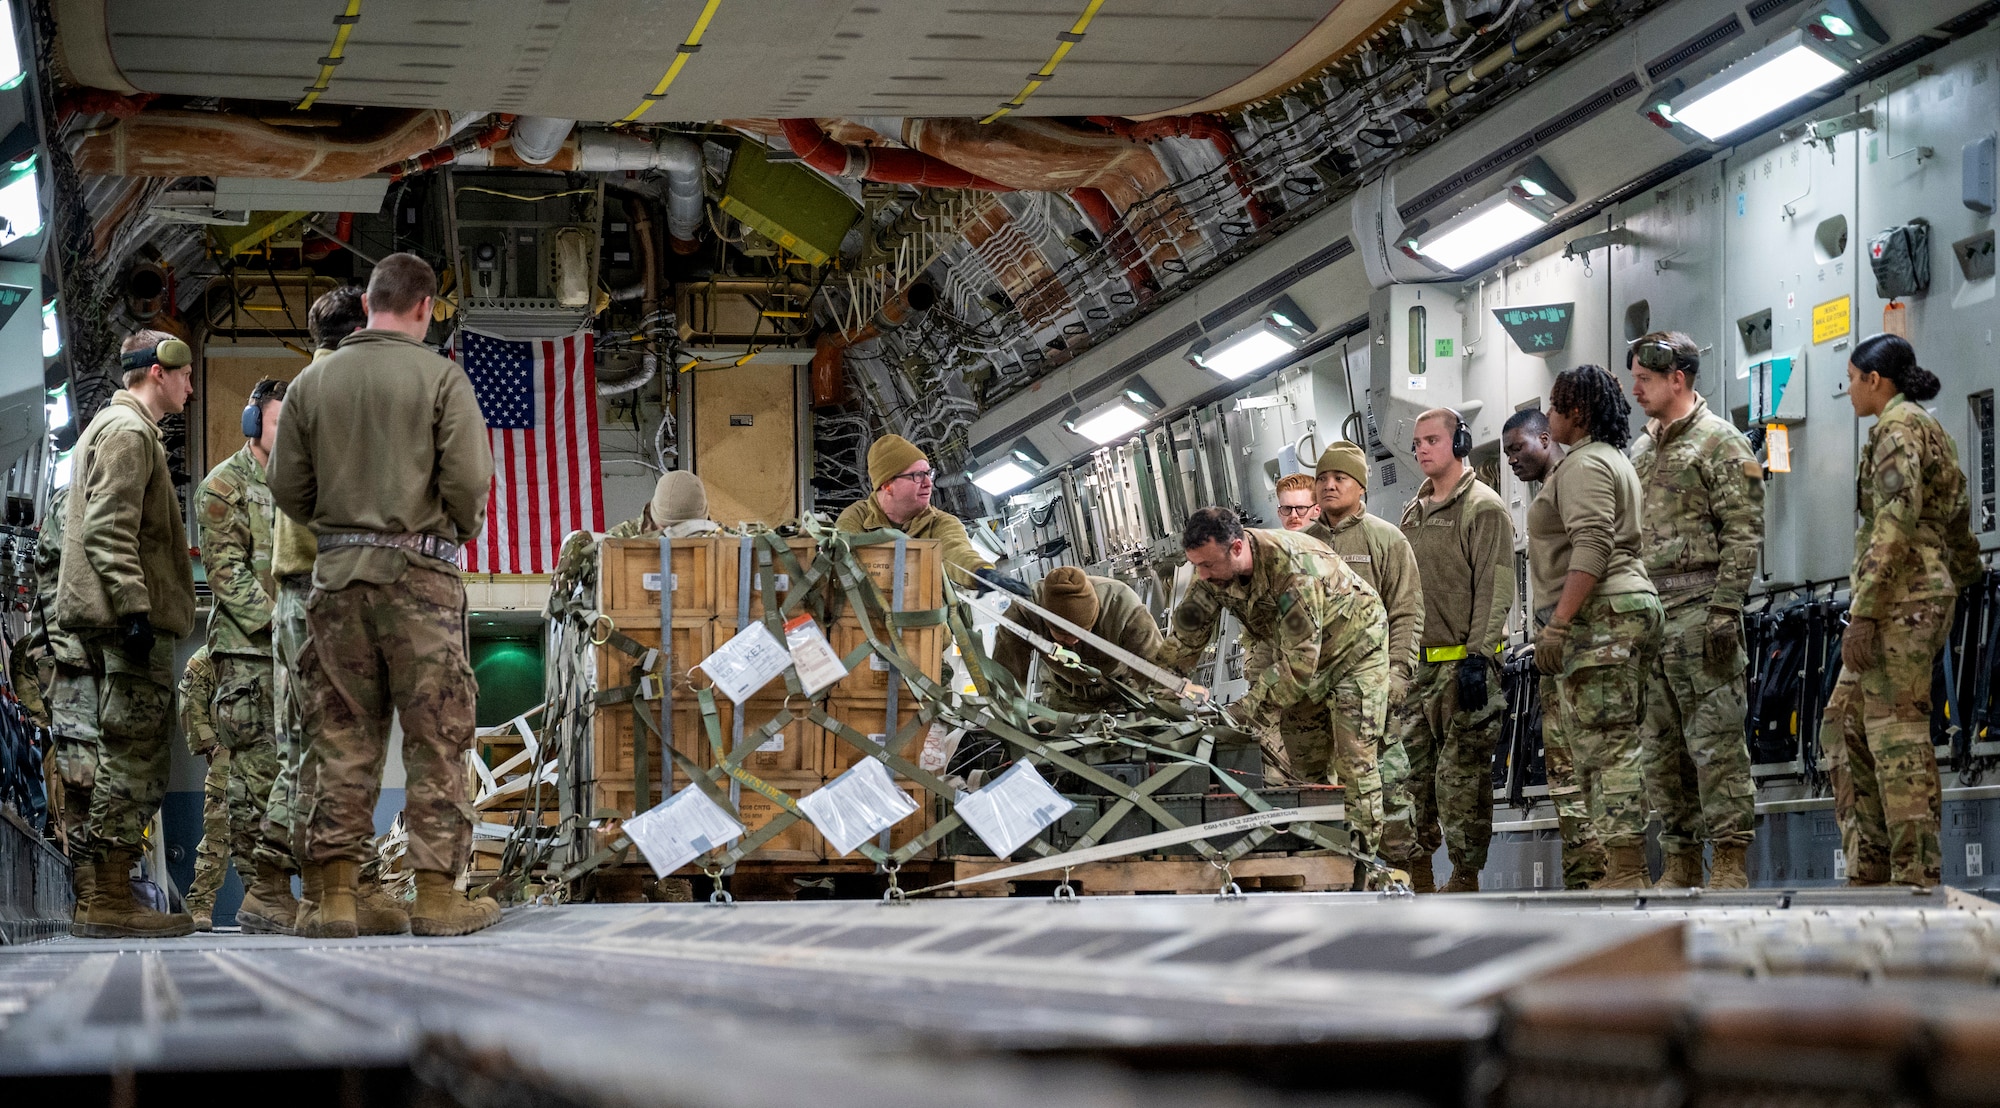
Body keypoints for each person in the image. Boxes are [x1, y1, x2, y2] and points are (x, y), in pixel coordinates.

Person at [269, 252, 499, 938]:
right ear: (424, 307)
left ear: (369, 304)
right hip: (420, 582)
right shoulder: (440, 377)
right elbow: (468, 479)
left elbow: (287, 488)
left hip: (335, 582)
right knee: (438, 737)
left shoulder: (313, 383)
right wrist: (452, 529)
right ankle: (435, 897)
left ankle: (336, 898)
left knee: (338, 737)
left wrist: (341, 530)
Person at [263, 287, 407, 937]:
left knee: (303, 749)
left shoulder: (297, 396)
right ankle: (352, 890)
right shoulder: (361, 394)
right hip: (345, 585)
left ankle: (324, 895)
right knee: (352, 747)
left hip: (295, 592)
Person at [1823, 334, 1982, 887]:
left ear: (1875, 380)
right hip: (1915, 589)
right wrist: (1967, 574)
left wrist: (1864, 612)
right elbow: (1958, 510)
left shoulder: (1897, 428)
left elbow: (1895, 517)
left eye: (1850, 378)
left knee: (1896, 730)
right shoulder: (1926, 427)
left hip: (1901, 598)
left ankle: (1915, 873)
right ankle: (1872, 862)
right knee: (1843, 721)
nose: (1847, 390)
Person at [56, 329, 198, 938]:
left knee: (119, 756)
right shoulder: (130, 433)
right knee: (133, 760)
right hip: (124, 626)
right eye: (186, 372)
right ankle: (111, 896)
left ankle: (97, 895)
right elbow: (108, 528)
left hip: (107, 621)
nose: (192, 386)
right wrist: (136, 607)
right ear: (158, 371)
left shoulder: (111, 429)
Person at [1156, 507, 1390, 866]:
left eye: (1206, 565)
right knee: (1306, 770)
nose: (1201, 575)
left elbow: (1298, 666)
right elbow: (1184, 640)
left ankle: (1364, 868)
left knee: (1354, 763)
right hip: (1301, 656)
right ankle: (1325, 862)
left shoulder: (1291, 570)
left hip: (1354, 654)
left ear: (1236, 548)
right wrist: (1156, 695)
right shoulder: (1212, 577)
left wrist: (1239, 714)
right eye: (1195, 566)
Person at [1627, 331, 1765, 889]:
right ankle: (1680, 860)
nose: (1635, 388)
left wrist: (1726, 610)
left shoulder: (1723, 444)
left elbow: (1745, 533)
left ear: (1676, 379)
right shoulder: (1637, 453)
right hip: (1652, 621)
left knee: (1716, 746)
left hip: (1702, 613)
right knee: (1660, 752)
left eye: (1645, 378)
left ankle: (1729, 860)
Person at [1529, 366, 1663, 890]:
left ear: (1578, 413)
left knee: (1606, 744)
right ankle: (1624, 864)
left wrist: (1559, 624)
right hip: (1631, 605)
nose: (1551, 416)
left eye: (1557, 408)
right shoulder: (1614, 460)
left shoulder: (1584, 465)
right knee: (1617, 740)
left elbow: (1593, 544)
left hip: (1602, 614)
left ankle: (1627, 868)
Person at [1397, 409, 1515, 893]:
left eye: (1432, 440)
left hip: (1464, 670)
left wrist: (1479, 655)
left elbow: (1495, 585)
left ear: (1460, 443)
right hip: (1418, 671)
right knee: (1412, 778)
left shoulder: (1483, 508)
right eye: (1417, 443)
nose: (1422, 449)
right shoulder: (1413, 511)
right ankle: (1419, 872)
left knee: (1461, 780)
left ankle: (1465, 875)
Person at [197, 376, 298, 933]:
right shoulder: (223, 487)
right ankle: (265, 893)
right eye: (279, 423)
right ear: (254, 424)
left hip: (293, 651)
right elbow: (227, 574)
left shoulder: (297, 485)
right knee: (256, 779)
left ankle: (287, 890)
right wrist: (279, 625)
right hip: (249, 656)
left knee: (298, 769)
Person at [1302, 441, 1423, 878]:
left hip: (1372, 686)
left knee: (1387, 784)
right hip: (1316, 690)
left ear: (1360, 487)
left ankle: (1411, 874)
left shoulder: (1385, 538)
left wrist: (1397, 672)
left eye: (1340, 479)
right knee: (1322, 790)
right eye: (1323, 478)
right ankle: (1346, 879)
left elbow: (1407, 610)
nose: (1329, 485)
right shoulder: (1300, 546)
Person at [1503, 408, 1606, 889]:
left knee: (1598, 758)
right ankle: (1586, 873)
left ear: (1546, 437)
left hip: (1581, 639)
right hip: (1552, 645)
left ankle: (1617, 867)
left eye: (1518, 449)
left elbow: (1592, 549)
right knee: (1563, 764)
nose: (1511, 461)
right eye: (1505, 454)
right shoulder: (1544, 492)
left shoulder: (1573, 479)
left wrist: (1561, 625)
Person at [835, 435, 1027, 596]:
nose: (928, 483)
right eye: (917, 476)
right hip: (867, 632)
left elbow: (956, 553)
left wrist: (981, 573)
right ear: (887, 484)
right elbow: (842, 562)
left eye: (929, 474)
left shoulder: (940, 523)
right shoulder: (857, 518)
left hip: (924, 633)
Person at [548, 471, 723, 619]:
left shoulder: (723, 541)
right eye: (667, 527)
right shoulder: (622, 537)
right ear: (654, 517)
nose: (676, 535)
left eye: (686, 529)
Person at [992, 565, 1164, 713]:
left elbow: (1156, 672)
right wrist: (1009, 713)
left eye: (1082, 633)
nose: (1073, 641)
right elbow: (1006, 678)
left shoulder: (1123, 608)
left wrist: (1163, 710)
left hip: (1120, 690)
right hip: (1063, 693)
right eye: (1064, 636)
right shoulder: (1024, 611)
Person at [177, 645, 226, 931]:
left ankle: (267, 901)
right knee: (218, 833)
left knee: (268, 833)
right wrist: (211, 746)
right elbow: (191, 704)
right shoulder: (207, 657)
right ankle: (200, 904)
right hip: (228, 757)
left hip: (266, 754)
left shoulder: (269, 648)